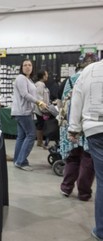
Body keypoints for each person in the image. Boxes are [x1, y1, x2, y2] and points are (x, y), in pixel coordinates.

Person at [68, 58, 103, 241]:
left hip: (95, 129)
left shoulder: (89, 70)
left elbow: (77, 98)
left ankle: (101, 231)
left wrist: (73, 128)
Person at [59, 55, 96, 202]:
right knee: (88, 158)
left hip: (70, 124)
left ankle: (66, 187)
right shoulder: (93, 79)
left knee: (73, 156)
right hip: (89, 123)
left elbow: (62, 103)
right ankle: (84, 192)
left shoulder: (70, 80)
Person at [11, 59, 48, 171]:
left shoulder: (28, 79)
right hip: (23, 112)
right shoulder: (21, 78)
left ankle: (17, 160)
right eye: (25, 65)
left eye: (30, 65)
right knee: (31, 135)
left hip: (23, 111)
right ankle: (21, 162)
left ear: (32, 67)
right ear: (21, 67)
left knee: (21, 137)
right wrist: (38, 102)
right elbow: (25, 94)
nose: (27, 67)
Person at [34, 70, 50, 148]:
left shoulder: (42, 84)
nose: (47, 76)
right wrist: (42, 107)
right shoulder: (40, 85)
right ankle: (39, 142)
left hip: (43, 107)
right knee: (40, 124)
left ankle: (40, 141)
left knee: (41, 124)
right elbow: (38, 97)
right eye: (46, 74)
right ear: (43, 76)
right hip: (40, 109)